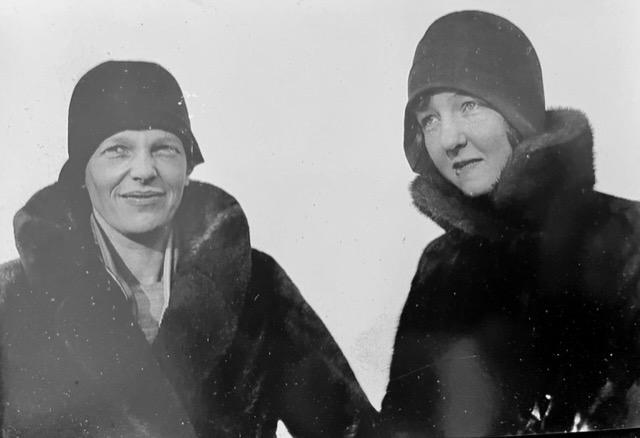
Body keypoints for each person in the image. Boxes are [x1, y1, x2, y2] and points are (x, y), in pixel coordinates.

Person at [0, 60, 376, 437]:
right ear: (82, 173)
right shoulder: (11, 298)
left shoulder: (258, 284)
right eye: (117, 150)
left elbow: (353, 429)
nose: (144, 170)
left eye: (164, 149)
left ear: (188, 166)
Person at [380, 10, 640, 437]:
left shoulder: (629, 238)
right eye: (429, 119)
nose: (449, 139)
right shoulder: (439, 267)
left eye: (468, 106)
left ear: (518, 112)